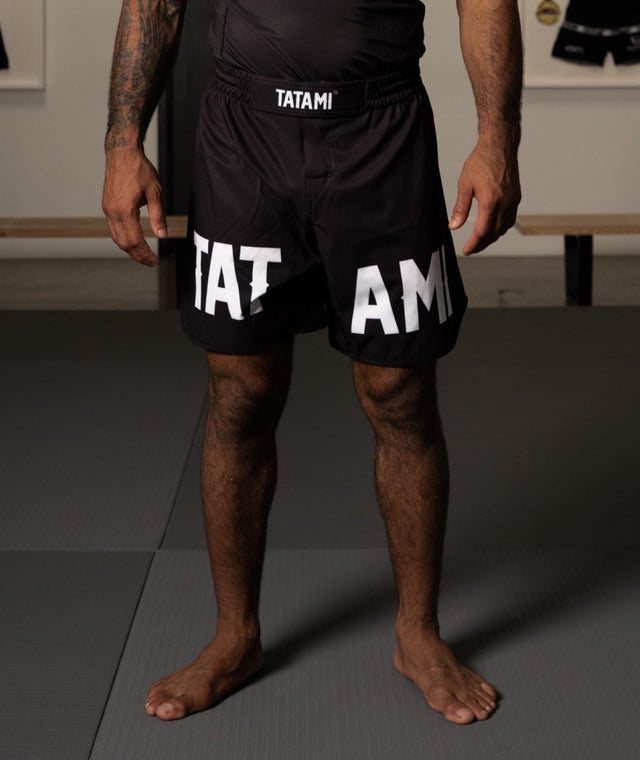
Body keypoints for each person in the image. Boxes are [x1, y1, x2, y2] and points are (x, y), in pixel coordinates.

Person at [102, 0, 522, 725]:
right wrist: (122, 143)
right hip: (245, 134)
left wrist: (497, 139)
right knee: (240, 392)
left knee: (400, 393)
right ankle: (235, 636)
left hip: (382, 132)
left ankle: (419, 634)